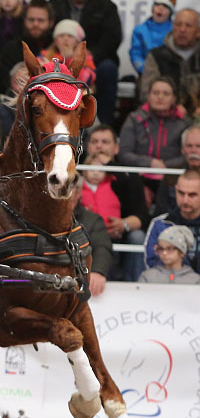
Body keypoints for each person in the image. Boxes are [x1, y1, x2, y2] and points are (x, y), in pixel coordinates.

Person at [48, 0, 122, 126]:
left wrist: (89, 55)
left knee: (108, 69)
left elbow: (113, 38)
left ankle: (104, 125)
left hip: (96, 58)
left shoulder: (106, 6)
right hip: (58, 56)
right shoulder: (54, 4)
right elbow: (47, 34)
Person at [83, 124, 149, 281]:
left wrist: (123, 224)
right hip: (84, 233)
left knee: (138, 237)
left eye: (105, 142)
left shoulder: (128, 176)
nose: (99, 146)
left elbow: (142, 216)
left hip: (120, 234)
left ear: (117, 148)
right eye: (94, 142)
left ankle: (135, 285)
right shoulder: (78, 173)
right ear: (87, 147)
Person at [118, 76, 190, 198]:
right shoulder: (134, 119)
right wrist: (150, 163)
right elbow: (124, 154)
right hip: (139, 178)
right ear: (148, 96)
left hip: (173, 179)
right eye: (156, 92)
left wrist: (164, 165)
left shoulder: (183, 123)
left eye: (166, 93)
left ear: (174, 99)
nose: (160, 97)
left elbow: (189, 155)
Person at [140, 8, 200, 117]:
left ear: (198, 32)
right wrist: (171, 107)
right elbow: (146, 93)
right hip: (165, 116)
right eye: (178, 24)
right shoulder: (156, 56)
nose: (182, 29)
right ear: (172, 27)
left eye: (188, 26)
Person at [143, 169, 200, 273]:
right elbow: (152, 264)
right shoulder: (160, 224)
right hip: (170, 285)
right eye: (181, 193)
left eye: (192, 195)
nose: (185, 200)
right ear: (175, 190)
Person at [0, 0, 53, 95]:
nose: (35, 24)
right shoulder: (12, 49)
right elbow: (2, 84)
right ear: (24, 20)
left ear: (50, 22)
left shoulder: (57, 46)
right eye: (31, 20)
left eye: (41, 20)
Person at [71, 182, 111, 296]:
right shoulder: (42, 220)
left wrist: (98, 271)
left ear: (78, 193)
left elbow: (102, 247)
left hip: (79, 277)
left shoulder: (92, 219)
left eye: (69, 186)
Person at [155, 125, 200, 216]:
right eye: (189, 146)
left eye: (198, 146)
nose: (193, 150)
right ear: (183, 150)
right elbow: (160, 210)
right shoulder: (171, 173)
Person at [130, 0, 176, 76]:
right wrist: (146, 70)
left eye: (165, 7)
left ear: (170, 12)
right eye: (157, 5)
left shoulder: (175, 31)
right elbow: (135, 54)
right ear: (152, 8)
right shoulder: (140, 30)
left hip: (171, 75)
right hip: (146, 74)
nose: (160, 9)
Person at [40, 19, 95, 86]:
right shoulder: (45, 55)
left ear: (77, 41)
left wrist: (69, 58)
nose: (65, 39)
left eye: (70, 36)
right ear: (55, 41)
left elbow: (87, 79)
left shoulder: (85, 57)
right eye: (61, 35)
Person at [0, 62, 28, 139]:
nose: (21, 88)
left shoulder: (42, 108)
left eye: (25, 82)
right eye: (17, 82)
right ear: (11, 82)